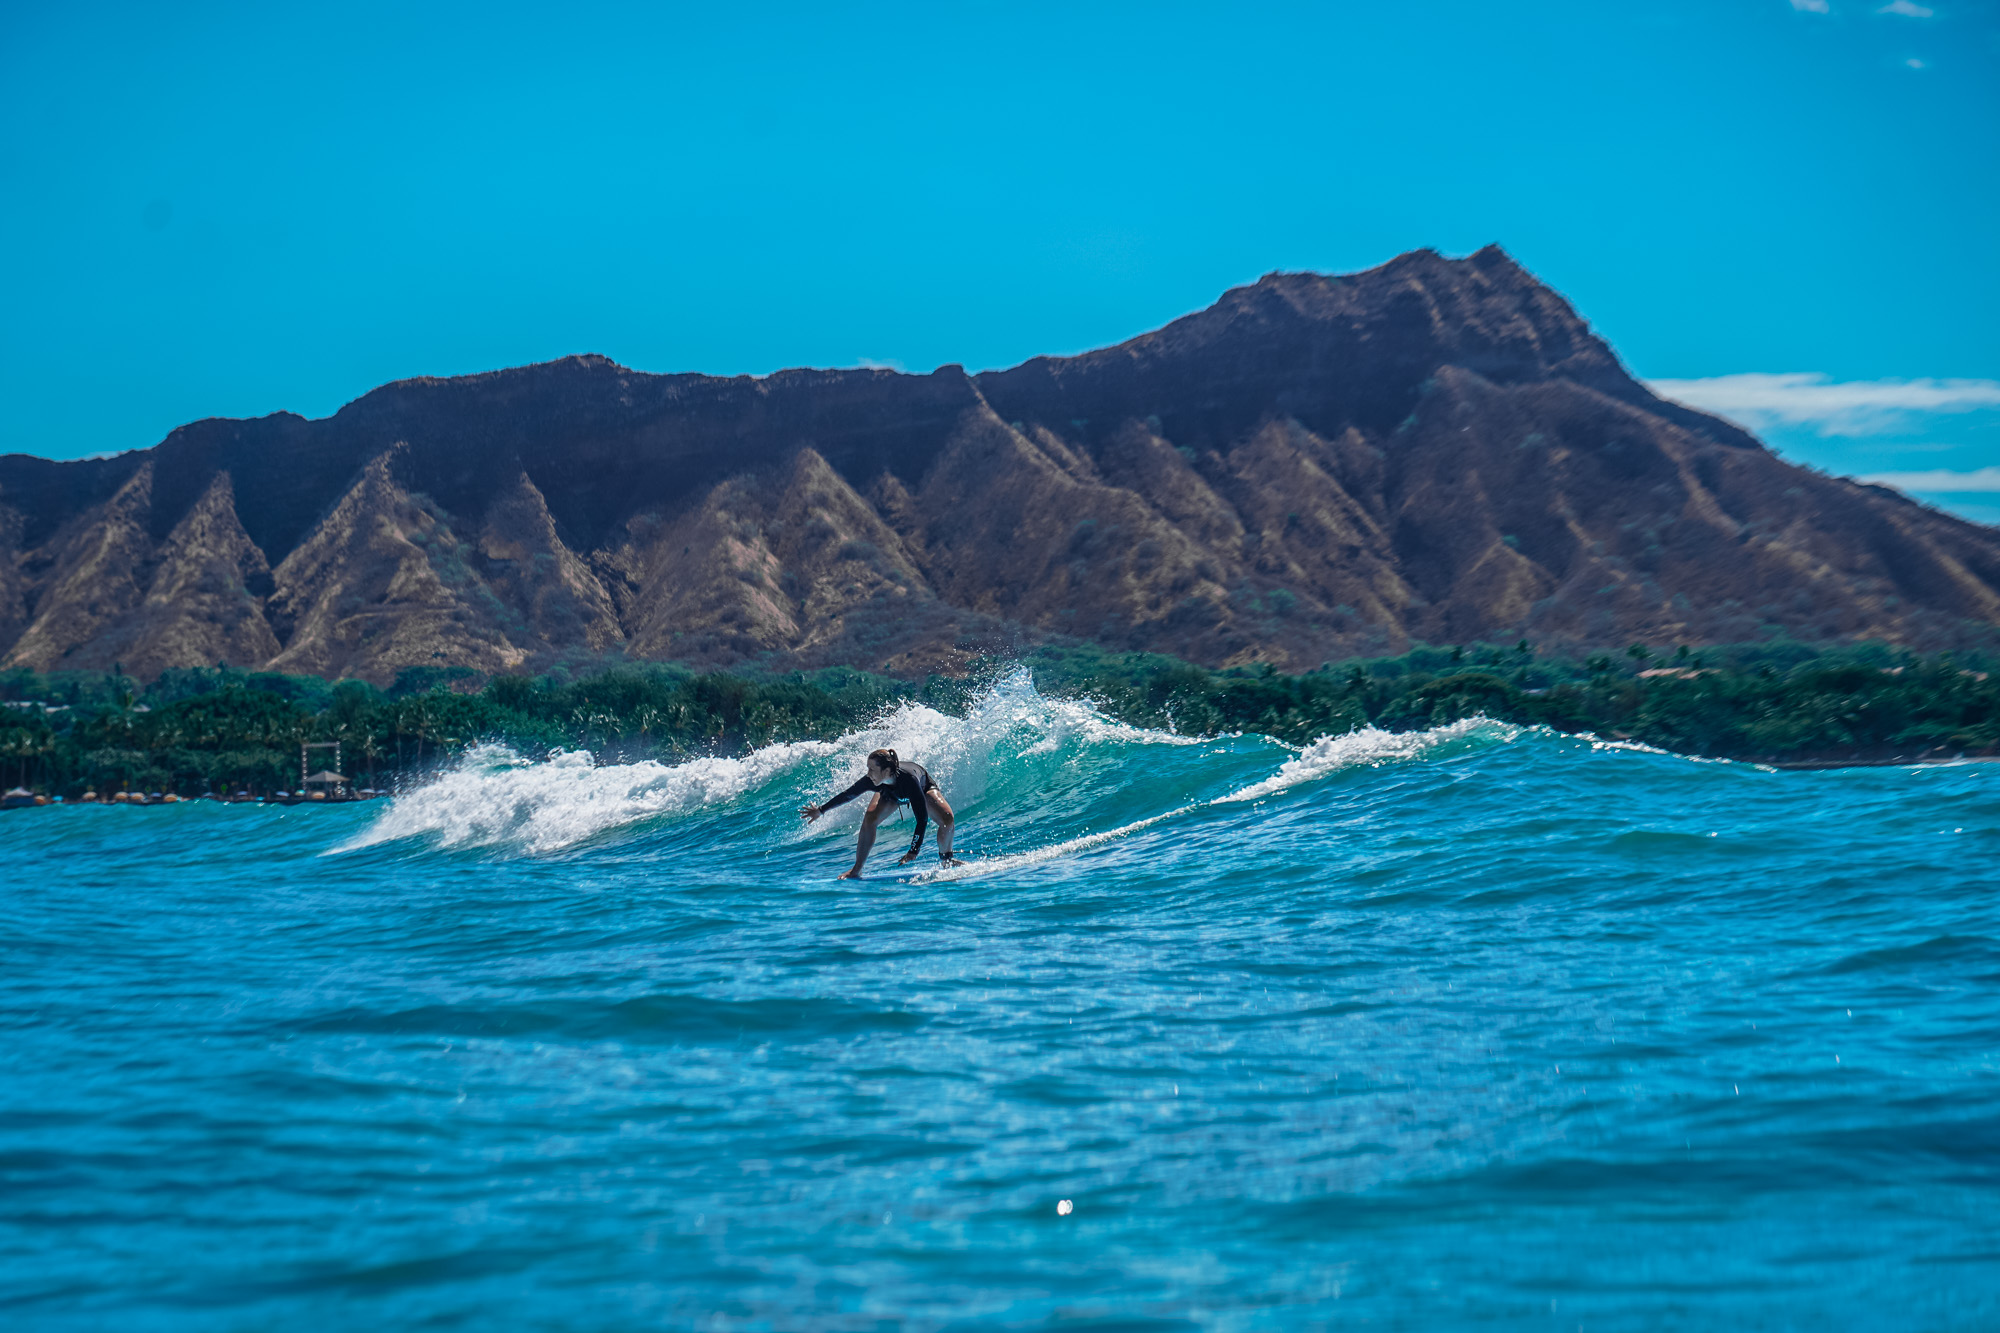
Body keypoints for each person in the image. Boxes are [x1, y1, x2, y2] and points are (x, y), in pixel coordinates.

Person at [801, 748, 958, 878]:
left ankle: (947, 860)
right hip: (889, 793)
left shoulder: (909, 780)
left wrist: (913, 850)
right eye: (868, 769)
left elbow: (922, 819)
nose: (868, 773)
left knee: (947, 818)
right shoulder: (872, 780)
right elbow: (848, 794)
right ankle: (856, 870)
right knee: (870, 818)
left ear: (887, 770)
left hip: (922, 790)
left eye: (872, 769)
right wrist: (821, 810)